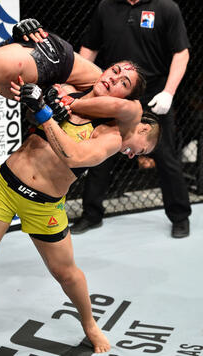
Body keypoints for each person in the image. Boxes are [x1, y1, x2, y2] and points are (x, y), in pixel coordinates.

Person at [0, 67, 160, 355]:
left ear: (128, 101)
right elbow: (32, 112)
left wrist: (44, 111)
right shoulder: (71, 88)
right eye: (114, 71)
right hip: (4, 188)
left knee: (67, 274)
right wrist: (38, 101)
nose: (113, 78)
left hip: (45, 207)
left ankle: (90, 324)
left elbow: (74, 156)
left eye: (123, 82)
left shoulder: (111, 134)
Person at [70, 0, 192, 238]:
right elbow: (89, 49)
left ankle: (180, 216)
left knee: (165, 155)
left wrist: (169, 92)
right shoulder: (106, 6)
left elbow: (181, 52)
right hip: (115, 94)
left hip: (154, 95)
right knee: (99, 151)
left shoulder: (166, 7)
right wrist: (78, 83)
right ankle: (91, 214)